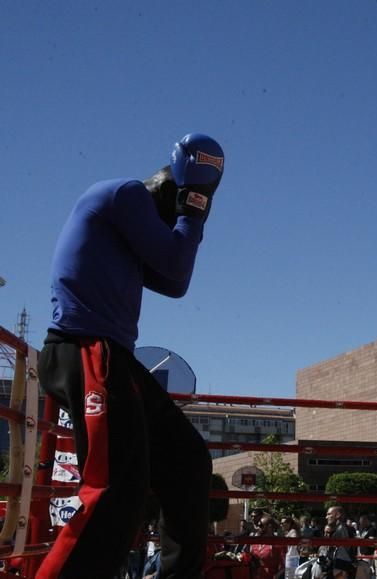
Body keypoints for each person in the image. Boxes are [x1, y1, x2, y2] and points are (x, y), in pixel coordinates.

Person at [36, 134, 224, 579]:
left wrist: (188, 219)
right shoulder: (124, 194)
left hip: (114, 357)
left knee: (188, 462)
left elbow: (175, 283)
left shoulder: (128, 236)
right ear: (165, 191)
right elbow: (177, 264)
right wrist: (191, 214)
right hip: (81, 348)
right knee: (116, 490)